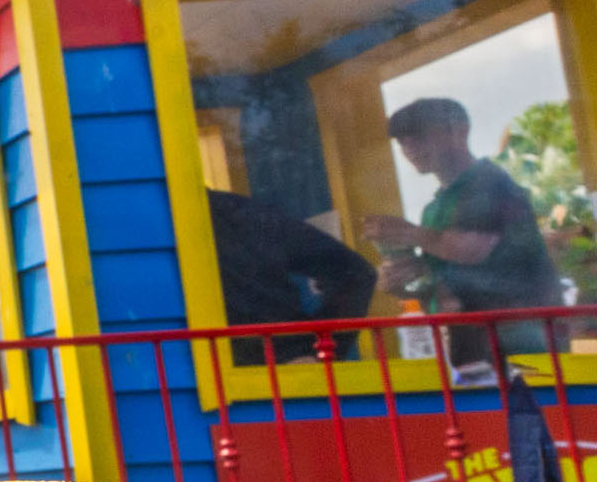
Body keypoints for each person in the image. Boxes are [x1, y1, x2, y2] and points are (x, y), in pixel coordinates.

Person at [362, 96, 563, 369]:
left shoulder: (490, 182)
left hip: (520, 332)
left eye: (418, 136)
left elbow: (472, 249)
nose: (410, 148)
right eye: (402, 142)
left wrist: (407, 233)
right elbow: (444, 278)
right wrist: (404, 281)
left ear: (459, 131)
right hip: (467, 337)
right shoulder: (434, 208)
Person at [208, 189, 378, 362]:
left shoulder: (242, 216)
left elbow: (353, 273)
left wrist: (318, 351)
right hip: (255, 366)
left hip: (279, 366)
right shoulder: (241, 213)